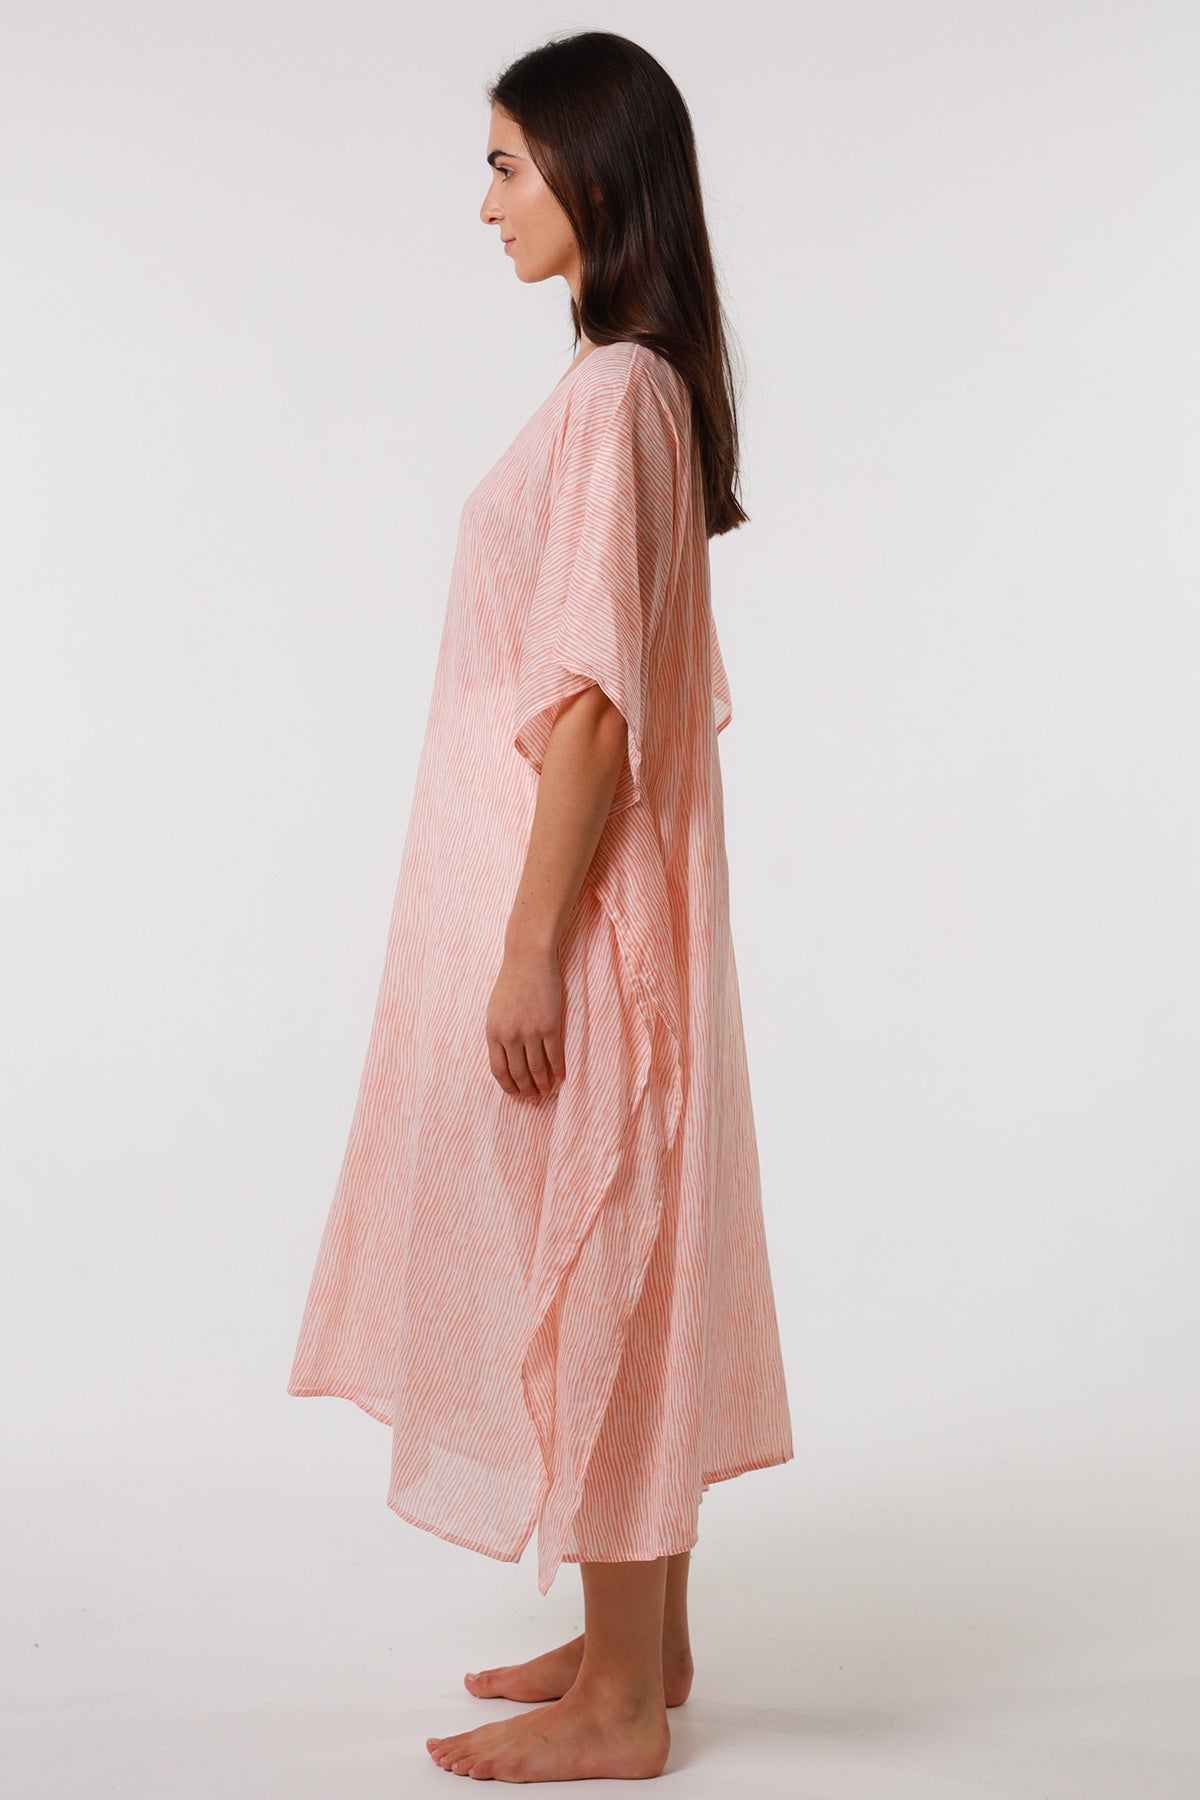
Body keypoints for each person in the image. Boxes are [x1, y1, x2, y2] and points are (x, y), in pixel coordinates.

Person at [287, 29, 793, 1783]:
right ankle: (640, 1636)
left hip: (585, 913)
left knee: (600, 1263)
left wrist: (528, 946)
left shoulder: (613, 396)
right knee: (616, 1251)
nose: (487, 202)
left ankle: (625, 1708)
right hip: (608, 898)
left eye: (507, 164)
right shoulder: (635, 388)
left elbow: (587, 709)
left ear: (592, 169)